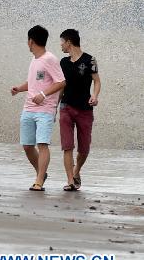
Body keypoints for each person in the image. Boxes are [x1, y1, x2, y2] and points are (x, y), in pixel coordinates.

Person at [10, 25, 66, 191]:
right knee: (27, 146)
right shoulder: (34, 60)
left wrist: (43, 94)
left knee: (42, 144)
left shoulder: (50, 59)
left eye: (28, 41)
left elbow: (61, 82)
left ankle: (39, 180)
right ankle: (41, 173)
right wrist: (19, 88)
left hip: (45, 110)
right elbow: (34, 83)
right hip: (28, 109)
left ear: (31, 41)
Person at [58, 29, 100, 191]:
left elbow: (97, 81)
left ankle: (76, 171)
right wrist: (55, 106)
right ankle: (70, 181)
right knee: (67, 146)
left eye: (62, 42)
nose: (61, 45)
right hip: (66, 107)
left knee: (84, 149)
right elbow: (61, 86)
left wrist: (95, 96)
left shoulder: (90, 60)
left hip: (85, 109)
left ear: (69, 42)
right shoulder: (63, 62)